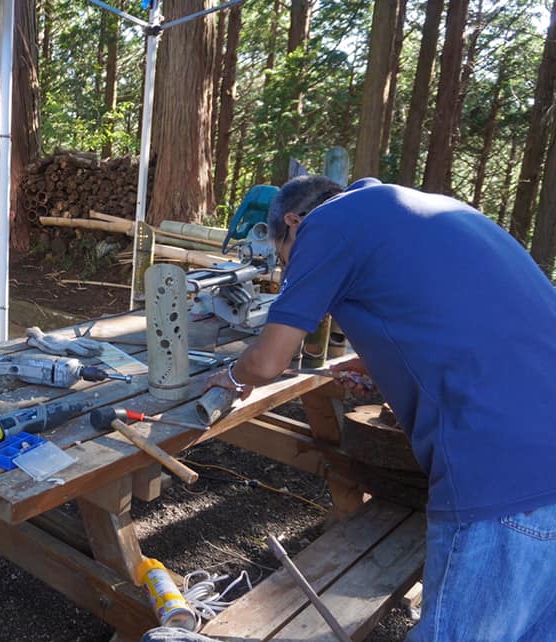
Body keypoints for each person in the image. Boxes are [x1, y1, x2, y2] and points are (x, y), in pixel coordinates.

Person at [205, 175, 556, 641]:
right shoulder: (416, 207)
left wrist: (230, 377)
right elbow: (456, 317)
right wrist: (379, 361)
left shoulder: (326, 225)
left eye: (284, 258)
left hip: (504, 470)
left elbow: (268, 362)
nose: (288, 270)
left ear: (292, 222)